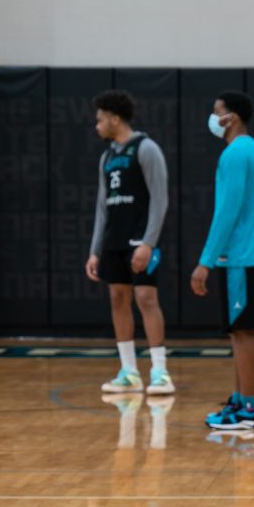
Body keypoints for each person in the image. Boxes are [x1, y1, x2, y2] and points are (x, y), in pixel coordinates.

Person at [190, 91, 254, 430]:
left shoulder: (235, 153)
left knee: (242, 332)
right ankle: (240, 400)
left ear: (233, 117)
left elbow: (226, 213)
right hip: (253, 253)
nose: (213, 119)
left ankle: (249, 409)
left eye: (217, 112)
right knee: (240, 331)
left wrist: (205, 262)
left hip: (240, 255)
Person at [85, 90, 174, 396]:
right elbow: (101, 207)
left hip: (140, 240)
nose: (96, 125)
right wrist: (95, 250)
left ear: (115, 118)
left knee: (147, 299)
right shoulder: (107, 156)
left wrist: (148, 243)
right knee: (118, 300)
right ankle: (129, 372)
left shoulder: (146, 149)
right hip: (114, 241)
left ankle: (160, 372)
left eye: (99, 120)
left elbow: (160, 201)